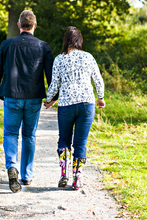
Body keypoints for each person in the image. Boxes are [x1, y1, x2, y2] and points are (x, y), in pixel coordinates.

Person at [0, 10, 58, 193]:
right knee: (29, 135)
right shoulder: (44, 46)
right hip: (34, 98)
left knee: (11, 133)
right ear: (35, 26)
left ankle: (12, 166)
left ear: (19, 26)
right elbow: (51, 73)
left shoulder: (7, 44)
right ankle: (26, 176)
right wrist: (52, 97)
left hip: (12, 96)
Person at [44, 26, 105, 190]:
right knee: (81, 143)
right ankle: (77, 179)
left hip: (66, 105)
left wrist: (49, 99)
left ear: (66, 41)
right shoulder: (88, 57)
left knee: (64, 140)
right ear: (79, 41)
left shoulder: (59, 59)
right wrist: (100, 97)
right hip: (86, 104)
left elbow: (54, 85)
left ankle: (64, 173)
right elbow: (98, 80)